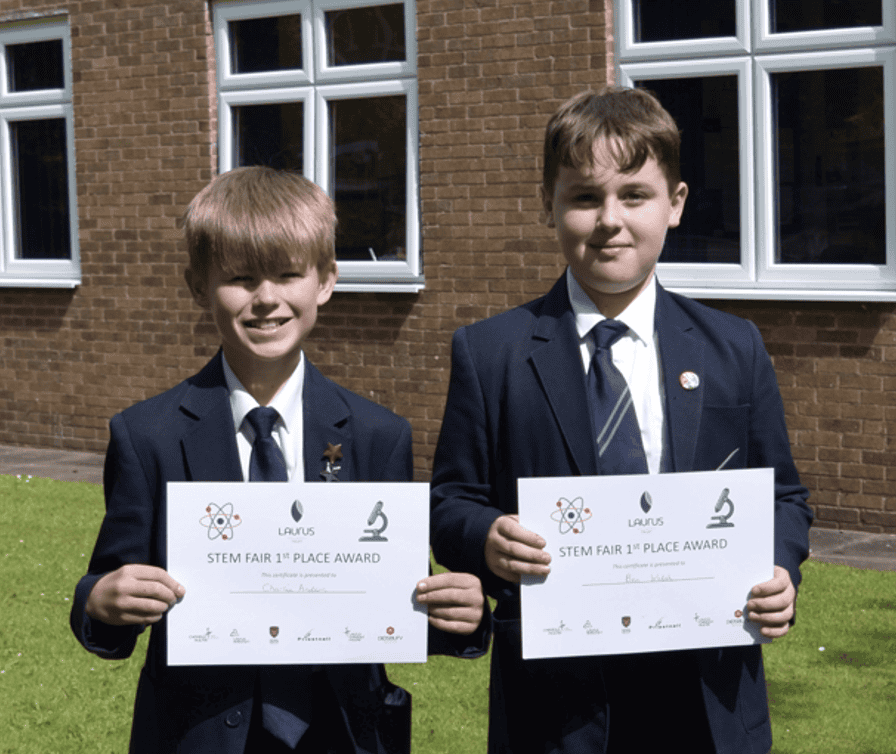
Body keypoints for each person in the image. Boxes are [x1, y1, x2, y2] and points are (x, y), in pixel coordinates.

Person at [430, 87, 813, 754]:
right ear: (549, 205)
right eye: (585, 197)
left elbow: (783, 495)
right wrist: (485, 536)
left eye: (634, 194)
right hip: (556, 708)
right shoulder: (490, 352)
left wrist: (780, 570)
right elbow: (450, 502)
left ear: (676, 204)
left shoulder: (732, 348)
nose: (611, 219)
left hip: (707, 696)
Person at [71, 166, 487, 754]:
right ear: (197, 286)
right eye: (240, 278)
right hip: (199, 731)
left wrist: (459, 613)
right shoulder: (148, 436)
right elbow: (109, 589)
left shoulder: (377, 435)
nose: (266, 298)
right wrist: (101, 600)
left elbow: (392, 595)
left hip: (340, 728)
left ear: (325, 281)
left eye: (289, 274)